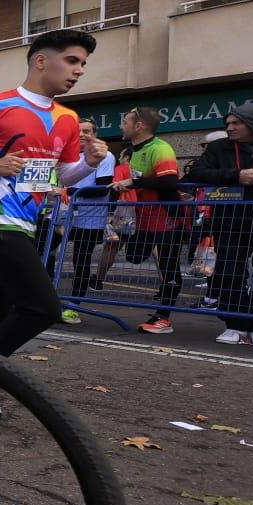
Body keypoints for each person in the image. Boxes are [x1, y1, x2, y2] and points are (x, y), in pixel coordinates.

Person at [0, 29, 109, 417]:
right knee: (43, 307)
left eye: (83, 64)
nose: (79, 70)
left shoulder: (68, 119)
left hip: (28, 222)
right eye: (72, 60)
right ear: (41, 60)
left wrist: (89, 164)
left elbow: (63, 175)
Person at [188, 105, 253, 347]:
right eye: (228, 123)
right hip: (231, 220)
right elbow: (196, 173)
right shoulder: (219, 147)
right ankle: (235, 324)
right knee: (229, 271)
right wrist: (236, 175)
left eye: (236, 123)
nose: (230, 127)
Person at [111, 107, 187, 335]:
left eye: (125, 122)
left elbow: (169, 183)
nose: (121, 126)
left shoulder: (160, 148)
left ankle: (163, 318)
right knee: (134, 255)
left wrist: (135, 182)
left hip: (166, 216)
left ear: (139, 126)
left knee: (169, 266)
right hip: (144, 217)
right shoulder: (134, 150)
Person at [54, 118, 118, 320]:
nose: (82, 134)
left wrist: (68, 191)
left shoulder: (105, 155)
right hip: (64, 215)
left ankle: (74, 307)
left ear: (95, 134)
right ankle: (44, 300)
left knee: (80, 260)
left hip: (90, 218)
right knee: (41, 250)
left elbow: (102, 189)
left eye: (87, 131)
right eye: (78, 131)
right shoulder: (69, 155)